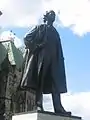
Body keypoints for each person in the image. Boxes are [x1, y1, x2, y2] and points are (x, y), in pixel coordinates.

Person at [20, 10, 71, 115]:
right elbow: (26, 38)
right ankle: (38, 104)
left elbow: (58, 48)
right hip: (42, 59)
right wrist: (36, 47)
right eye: (51, 14)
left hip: (54, 61)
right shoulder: (40, 28)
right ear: (46, 16)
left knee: (55, 83)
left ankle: (58, 107)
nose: (53, 16)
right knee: (40, 81)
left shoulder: (55, 32)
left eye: (54, 15)